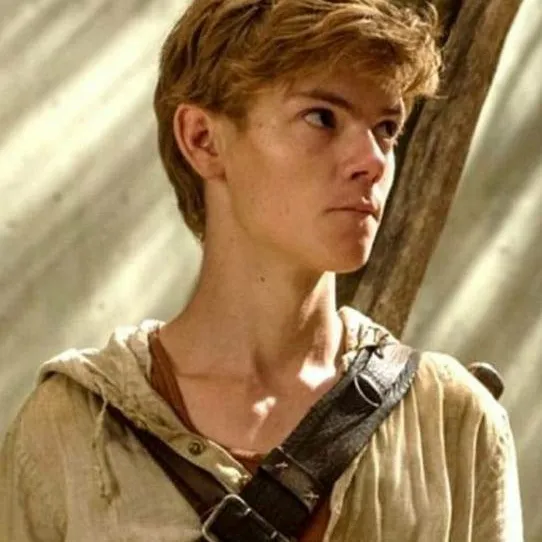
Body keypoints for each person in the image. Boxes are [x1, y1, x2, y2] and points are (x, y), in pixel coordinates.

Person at [0, 0, 523, 540]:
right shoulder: (71, 431)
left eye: (386, 127)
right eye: (322, 117)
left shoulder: (452, 424)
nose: (373, 160)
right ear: (203, 139)